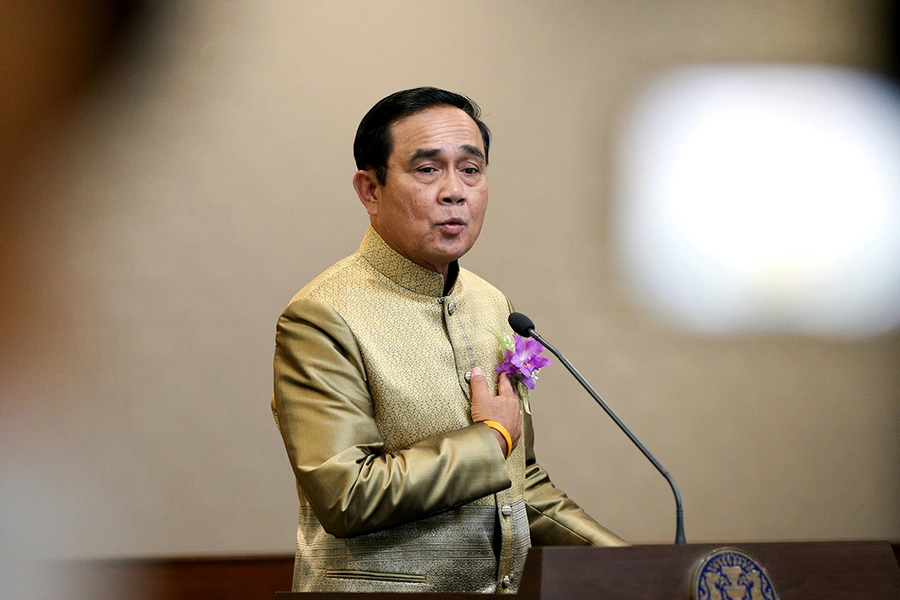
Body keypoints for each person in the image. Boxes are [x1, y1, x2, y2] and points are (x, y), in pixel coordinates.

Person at [271, 87, 626, 594]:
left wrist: (634, 563)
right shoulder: (322, 316)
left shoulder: (492, 305)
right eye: (427, 169)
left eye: (471, 169)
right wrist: (490, 439)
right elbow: (347, 494)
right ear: (370, 190)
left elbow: (517, 484)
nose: (455, 191)